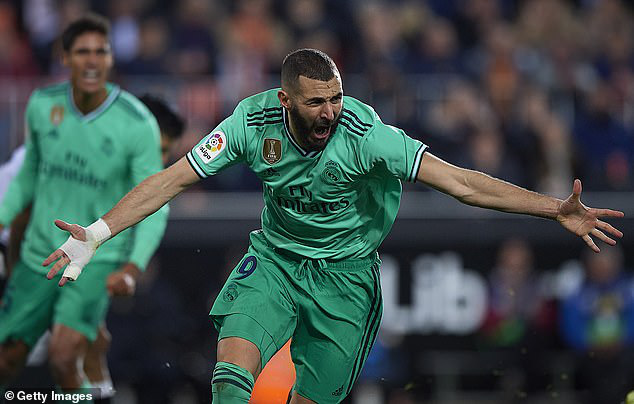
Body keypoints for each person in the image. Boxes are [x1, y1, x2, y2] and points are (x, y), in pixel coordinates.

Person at [43, 48, 624, 404]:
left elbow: (461, 182)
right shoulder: (250, 122)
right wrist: (96, 234)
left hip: (346, 278)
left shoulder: (368, 136)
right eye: (317, 102)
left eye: (337, 99)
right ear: (285, 99)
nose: (330, 112)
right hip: (274, 262)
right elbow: (172, 179)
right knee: (228, 379)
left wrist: (554, 207)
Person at [0, 14, 168, 396]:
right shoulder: (43, 106)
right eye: (82, 52)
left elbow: (156, 199)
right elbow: (27, 175)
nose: (92, 60)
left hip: (94, 256)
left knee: (64, 355)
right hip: (37, 251)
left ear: (110, 59)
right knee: (6, 359)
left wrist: (131, 266)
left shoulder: (136, 122)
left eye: (101, 52)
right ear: (65, 58)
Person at [560, 247, 634, 404]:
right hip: (589, 352)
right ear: (588, 266)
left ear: (616, 265)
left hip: (623, 350)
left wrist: (621, 342)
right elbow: (570, 327)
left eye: (607, 264)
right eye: (598, 265)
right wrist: (591, 344)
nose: (603, 269)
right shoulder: (577, 293)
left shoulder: (629, 289)